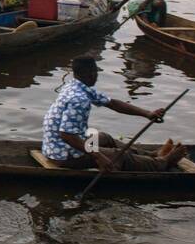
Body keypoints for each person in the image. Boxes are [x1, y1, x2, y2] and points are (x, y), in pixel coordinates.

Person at [41, 56, 186, 171]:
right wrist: (98, 157)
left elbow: (113, 103)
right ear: (92, 74)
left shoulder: (76, 86)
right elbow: (66, 135)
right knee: (119, 156)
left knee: (105, 138)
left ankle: (150, 156)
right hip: (65, 155)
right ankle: (162, 163)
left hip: (59, 147)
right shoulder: (79, 99)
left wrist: (147, 114)